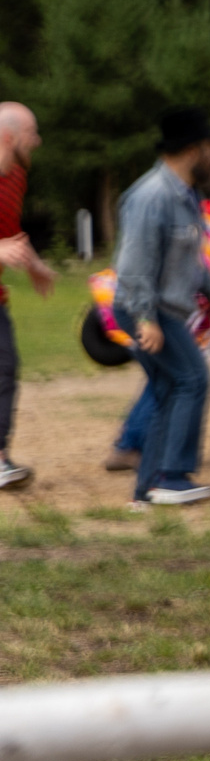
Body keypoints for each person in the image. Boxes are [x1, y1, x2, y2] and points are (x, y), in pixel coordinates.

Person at [111, 108, 210, 509]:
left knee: (167, 389)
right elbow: (133, 267)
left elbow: (192, 259)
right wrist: (146, 319)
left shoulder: (187, 197)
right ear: (195, 150)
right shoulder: (151, 197)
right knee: (192, 380)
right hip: (148, 310)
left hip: (165, 310)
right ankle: (172, 477)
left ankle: (145, 492)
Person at [104, 172, 210, 473]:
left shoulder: (204, 223)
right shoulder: (208, 231)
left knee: (167, 378)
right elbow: (188, 273)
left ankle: (134, 446)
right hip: (172, 314)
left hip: (168, 311)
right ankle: (144, 453)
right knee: (179, 379)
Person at [0, 102, 58, 490]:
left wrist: (34, 265)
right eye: (32, 133)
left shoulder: (16, 176)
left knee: (5, 368)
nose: (37, 141)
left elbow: (10, 234)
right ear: (9, 137)